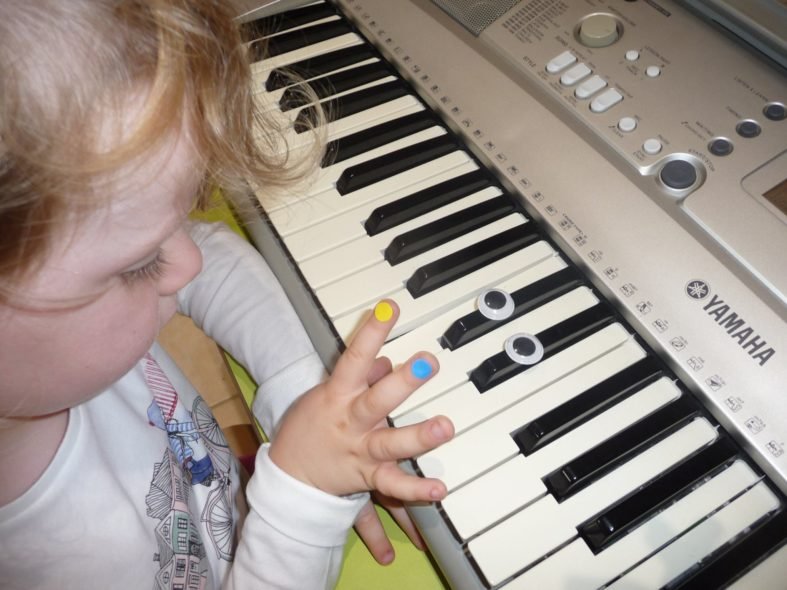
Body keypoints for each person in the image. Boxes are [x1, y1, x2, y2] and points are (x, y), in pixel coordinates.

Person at [0, 1, 454, 588]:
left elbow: (205, 255)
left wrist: (301, 393)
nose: (188, 260)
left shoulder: (41, 358)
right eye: (140, 264)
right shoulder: (57, 562)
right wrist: (303, 502)